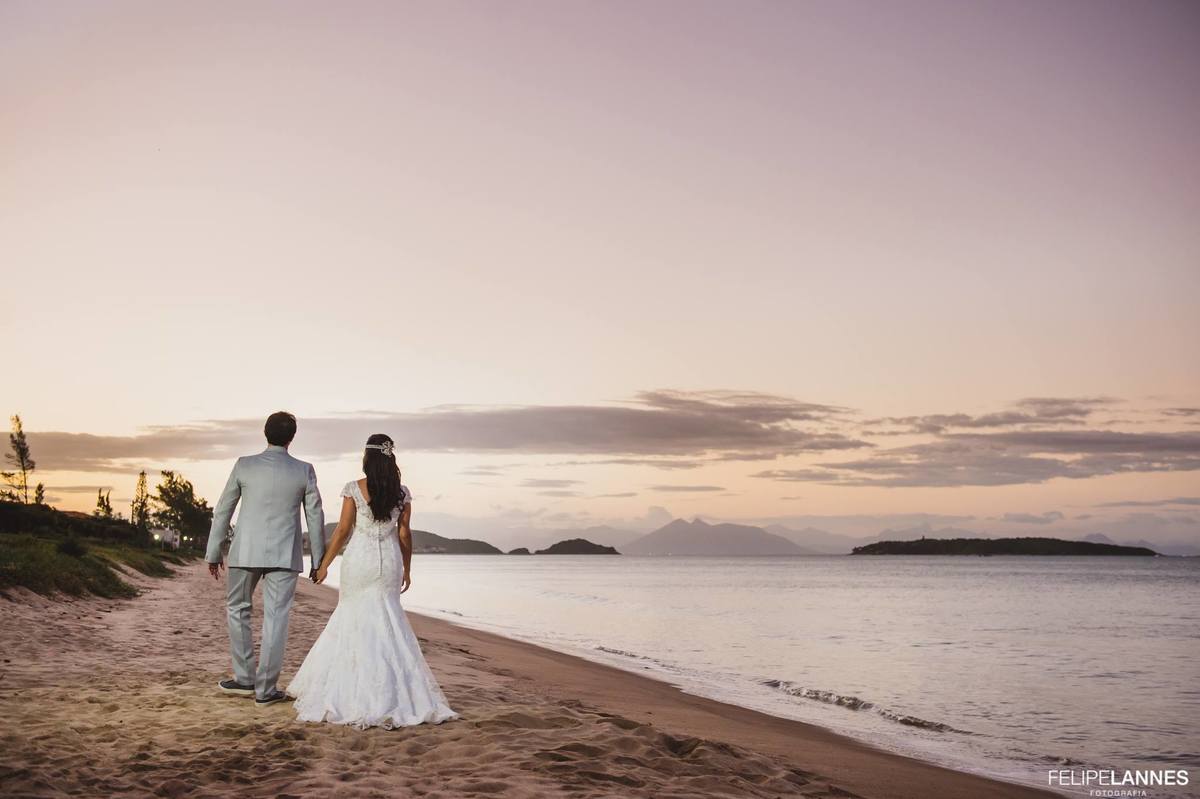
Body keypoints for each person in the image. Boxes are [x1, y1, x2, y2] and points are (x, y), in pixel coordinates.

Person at [287, 433, 457, 728]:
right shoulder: (401, 493)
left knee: (352, 617)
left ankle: (349, 690)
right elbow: (404, 534)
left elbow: (342, 531)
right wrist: (407, 568)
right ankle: (395, 693)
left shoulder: (354, 488)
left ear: (367, 458)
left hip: (359, 561)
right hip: (388, 561)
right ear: (391, 458)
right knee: (388, 619)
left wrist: (324, 566)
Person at [205, 411, 326, 706]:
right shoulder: (304, 470)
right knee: (276, 618)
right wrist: (318, 560)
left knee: (237, 609)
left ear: (265, 432)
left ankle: (245, 679)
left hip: (245, 550)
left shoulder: (244, 465)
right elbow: (315, 516)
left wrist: (213, 551)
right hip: (285, 555)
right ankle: (265, 690)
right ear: (292, 437)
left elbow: (223, 509)